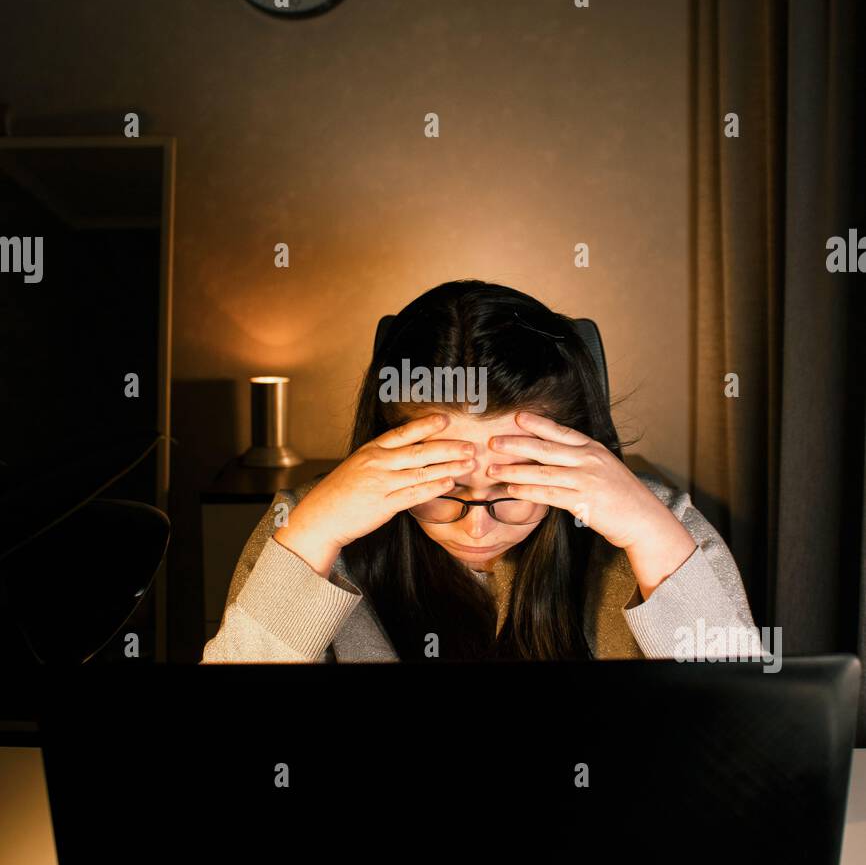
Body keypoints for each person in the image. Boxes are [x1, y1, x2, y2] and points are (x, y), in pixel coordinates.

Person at [201, 279, 765, 664]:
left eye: (513, 487)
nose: (477, 529)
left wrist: (655, 540)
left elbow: (750, 742)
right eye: (443, 487)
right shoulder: (306, 526)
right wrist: (312, 537)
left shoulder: (657, 524)